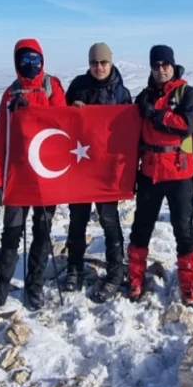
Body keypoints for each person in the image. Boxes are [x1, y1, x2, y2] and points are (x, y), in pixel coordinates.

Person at [0, 38, 67, 310]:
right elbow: (0, 141)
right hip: (17, 176)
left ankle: (35, 287)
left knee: (42, 232)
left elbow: (62, 122)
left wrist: (30, 110)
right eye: (25, 59)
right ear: (17, 61)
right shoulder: (10, 95)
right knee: (11, 233)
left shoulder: (52, 87)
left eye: (35, 59)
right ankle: (0, 289)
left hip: (46, 174)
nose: (31, 64)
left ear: (42, 60)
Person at [127, 45, 193, 305]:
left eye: (165, 64)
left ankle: (189, 284)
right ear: (151, 68)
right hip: (149, 171)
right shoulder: (142, 96)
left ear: (173, 65)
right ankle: (135, 279)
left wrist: (158, 115)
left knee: (183, 228)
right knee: (141, 227)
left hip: (180, 171)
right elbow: (130, 134)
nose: (161, 69)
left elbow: (187, 125)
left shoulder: (186, 92)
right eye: (156, 65)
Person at [63, 42, 132, 299]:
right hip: (80, 167)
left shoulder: (121, 91)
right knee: (77, 219)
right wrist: (72, 112)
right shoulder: (78, 86)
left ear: (111, 63)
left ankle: (115, 272)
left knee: (109, 220)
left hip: (106, 169)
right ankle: (74, 267)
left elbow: (127, 130)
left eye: (103, 62)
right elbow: (61, 120)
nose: (99, 67)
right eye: (94, 63)